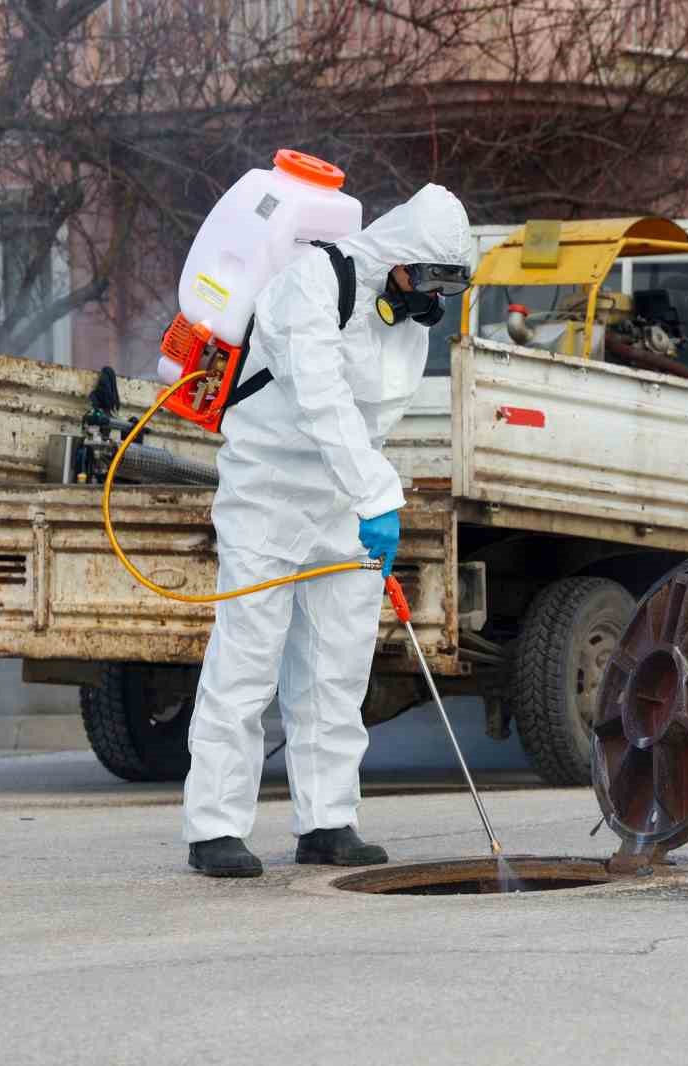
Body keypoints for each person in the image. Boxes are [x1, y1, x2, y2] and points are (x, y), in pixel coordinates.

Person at [183, 184, 474, 877]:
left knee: (337, 668)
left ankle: (327, 820)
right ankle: (215, 827)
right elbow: (322, 400)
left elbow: (370, 423)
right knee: (248, 660)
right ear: (399, 254)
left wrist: (364, 495)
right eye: (427, 276)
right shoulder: (311, 284)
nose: (432, 295)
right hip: (268, 494)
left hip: (341, 503)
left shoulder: (408, 320)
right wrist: (377, 493)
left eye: (447, 284)